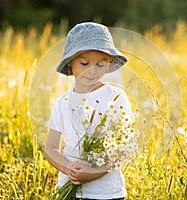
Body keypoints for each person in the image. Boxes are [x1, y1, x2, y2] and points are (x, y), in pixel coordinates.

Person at [44, 22, 134, 200]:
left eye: (101, 64)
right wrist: (69, 169)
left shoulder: (116, 97)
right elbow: (51, 148)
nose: (92, 71)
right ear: (70, 63)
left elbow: (125, 147)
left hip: (106, 193)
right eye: (84, 63)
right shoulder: (62, 103)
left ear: (109, 63)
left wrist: (96, 172)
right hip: (71, 190)